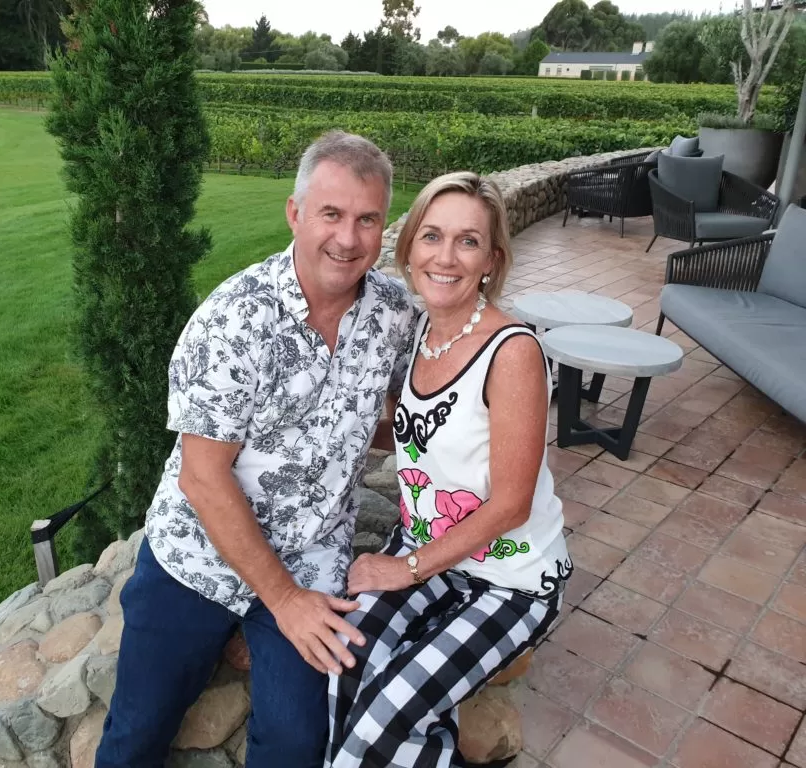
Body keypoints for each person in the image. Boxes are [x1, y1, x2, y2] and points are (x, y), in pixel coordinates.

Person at [94, 131, 417, 768]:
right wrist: (285, 602)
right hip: (201, 551)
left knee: (297, 743)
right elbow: (203, 479)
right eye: (330, 214)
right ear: (295, 213)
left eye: (367, 219)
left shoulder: (394, 315)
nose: (348, 239)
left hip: (311, 553)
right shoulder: (235, 320)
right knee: (136, 730)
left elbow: (401, 414)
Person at [326, 172, 572, 768]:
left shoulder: (512, 354)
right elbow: (418, 434)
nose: (445, 256)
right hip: (430, 546)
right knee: (344, 674)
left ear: (491, 259)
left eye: (467, 241)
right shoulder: (421, 334)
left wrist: (402, 568)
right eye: (431, 236)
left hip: (510, 579)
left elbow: (511, 505)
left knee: (378, 726)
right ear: (408, 248)